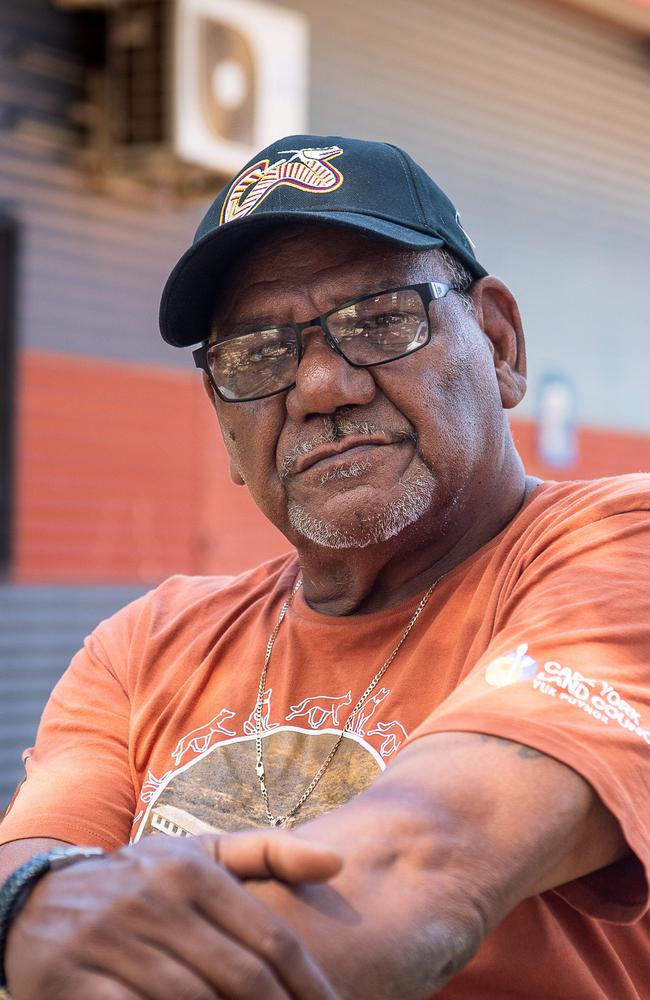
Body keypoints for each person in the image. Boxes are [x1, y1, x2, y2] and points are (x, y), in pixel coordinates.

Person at [0, 134, 648, 1000]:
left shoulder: (619, 549)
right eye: (257, 354)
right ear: (226, 426)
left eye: (379, 319)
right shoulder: (144, 645)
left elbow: (419, 871)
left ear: (498, 344)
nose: (320, 387)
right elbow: (33, 877)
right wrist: (29, 907)